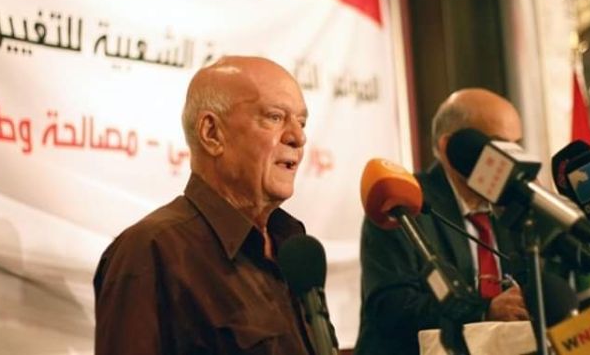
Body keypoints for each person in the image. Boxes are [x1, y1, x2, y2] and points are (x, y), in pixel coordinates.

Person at [93, 56, 316, 355]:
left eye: (301, 122)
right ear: (211, 134)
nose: (298, 137)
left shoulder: (293, 244)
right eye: (274, 117)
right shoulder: (150, 251)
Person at [355, 88, 530, 355]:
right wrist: (486, 311)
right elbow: (392, 307)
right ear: (451, 148)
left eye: (516, 146)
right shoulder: (401, 203)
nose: (513, 160)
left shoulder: (514, 208)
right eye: (499, 146)